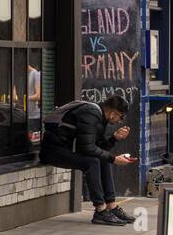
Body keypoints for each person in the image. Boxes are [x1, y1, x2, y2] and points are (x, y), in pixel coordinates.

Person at [39, 95, 137, 226]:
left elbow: (98, 148)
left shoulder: (99, 116)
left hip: (68, 150)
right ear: (113, 113)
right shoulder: (91, 113)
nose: (120, 121)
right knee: (93, 162)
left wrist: (114, 138)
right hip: (53, 152)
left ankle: (111, 207)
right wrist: (114, 159)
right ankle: (100, 211)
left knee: (102, 159)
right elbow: (87, 148)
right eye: (121, 117)